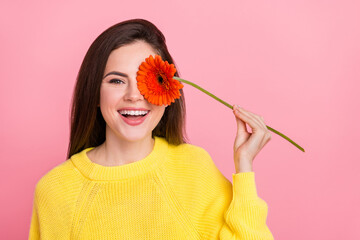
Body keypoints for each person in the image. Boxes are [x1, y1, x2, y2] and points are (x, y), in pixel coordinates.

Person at [29, 19, 274, 239]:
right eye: (116, 81)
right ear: (94, 92)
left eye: (147, 81)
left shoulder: (194, 169)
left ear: (168, 92)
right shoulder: (55, 190)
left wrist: (244, 167)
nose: (134, 96)